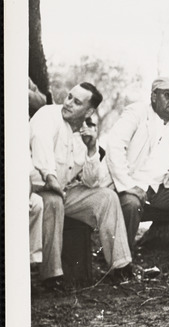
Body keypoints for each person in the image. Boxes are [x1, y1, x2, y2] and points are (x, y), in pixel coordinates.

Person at [104, 77, 169, 273]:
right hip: (129, 185)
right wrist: (127, 185)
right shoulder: (136, 113)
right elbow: (115, 146)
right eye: (167, 95)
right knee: (130, 204)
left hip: (160, 189)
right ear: (153, 96)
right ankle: (121, 264)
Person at [29, 82, 133, 280]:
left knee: (107, 198)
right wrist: (51, 178)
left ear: (89, 111)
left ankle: (121, 266)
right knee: (54, 200)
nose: (68, 104)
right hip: (35, 188)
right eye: (69, 97)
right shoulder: (48, 114)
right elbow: (41, 148)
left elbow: (92, 182)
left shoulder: (84, 133)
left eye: (76, 102)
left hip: (64, 190)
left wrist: (92, 149)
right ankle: (52, 276)